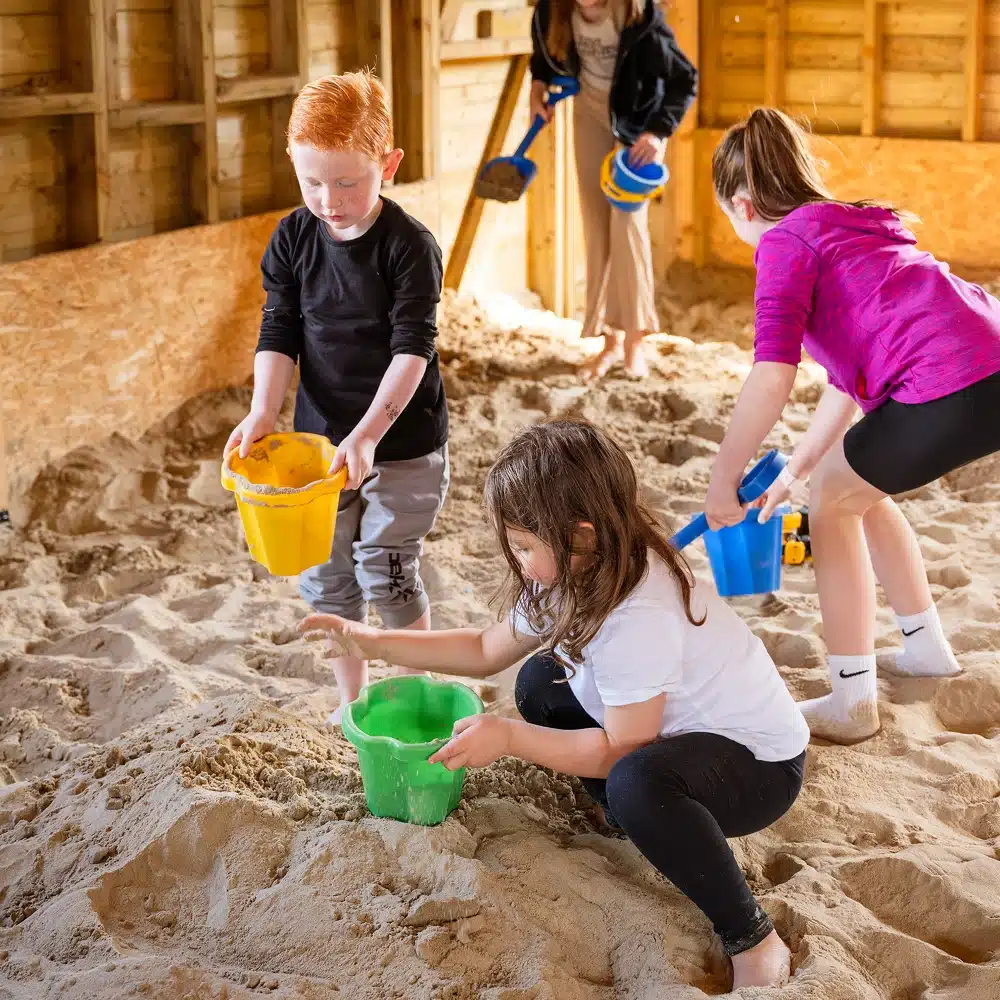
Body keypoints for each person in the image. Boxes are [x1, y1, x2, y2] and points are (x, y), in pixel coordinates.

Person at [301, 420, 810, 990]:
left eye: (524, 545)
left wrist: (511, 738)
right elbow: (486, 647)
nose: (518, 561)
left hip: (757, 766)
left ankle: (751, 936)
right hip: (672, 731)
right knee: (541, 681)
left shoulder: (638, 616)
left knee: (636, 781)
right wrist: (371, 641)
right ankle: (632, 824)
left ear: (582, 534)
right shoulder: (578, 569)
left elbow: (623, 747)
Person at [705, 107, 1000, 744]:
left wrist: (722, 475)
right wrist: (795, 468)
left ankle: (851, 699)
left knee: (832, 504)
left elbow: (771, 373)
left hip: (952, 376)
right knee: (852, 488)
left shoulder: (783, 242)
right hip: (990, 359)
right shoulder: (846, 224)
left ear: (743, 204)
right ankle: (924, 648)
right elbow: (845, 382)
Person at [225, 71, 449, 725]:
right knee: (325, 577)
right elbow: (279, 327)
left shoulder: (409, 248)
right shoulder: (294, 239)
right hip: (317, 441)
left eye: (348, 182)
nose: (329, 199)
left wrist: (370, 435)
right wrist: (265, 409)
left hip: (401, 443)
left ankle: (416, 694)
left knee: (388, 569)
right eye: (311, 181)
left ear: (388, 164)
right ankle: (352, 703)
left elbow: (414, 349)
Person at [529, 0, 697, 380]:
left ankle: (635, 341)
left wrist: (657, 132)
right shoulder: (551, 10)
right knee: (596, 225)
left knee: (627, 225)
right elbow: (543, 52)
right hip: (588, 114)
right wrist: (537, 86)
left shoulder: (638, 15)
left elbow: (684, 79)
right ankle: (608, 343)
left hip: (635, 126)